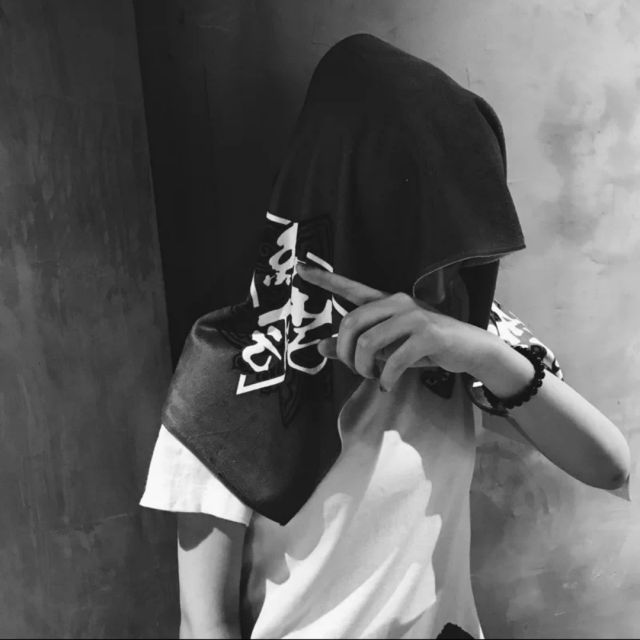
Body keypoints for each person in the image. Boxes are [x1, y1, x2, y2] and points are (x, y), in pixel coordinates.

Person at [139, 34, 631, 639]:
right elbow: (203, 622)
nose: (443, 279)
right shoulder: (231, 368)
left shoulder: (460, 337)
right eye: (416, 234)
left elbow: (610, 466)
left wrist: (478, 351)